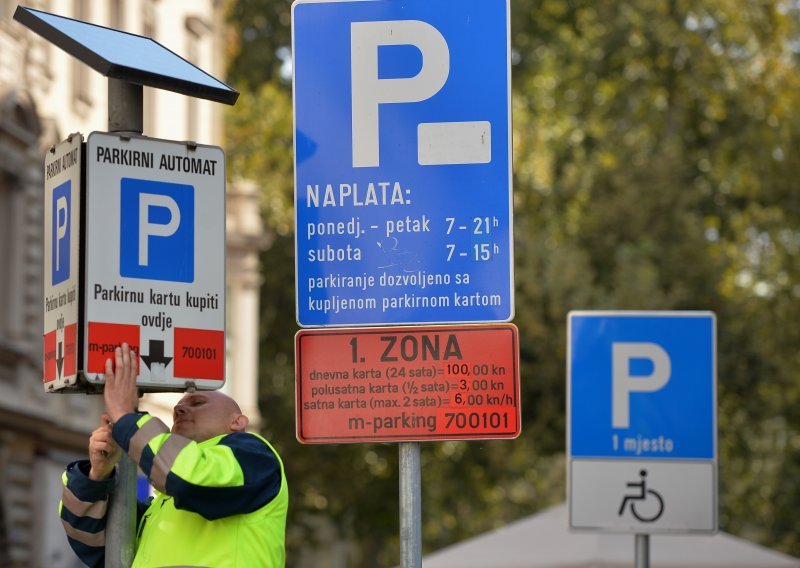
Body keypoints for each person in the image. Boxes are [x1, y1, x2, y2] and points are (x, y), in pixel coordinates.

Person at [59, 343, 288, 567]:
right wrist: (98, 474)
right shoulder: (163, 502)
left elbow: (189, 477)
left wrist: (125, 417)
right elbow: (95, 545)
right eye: (177, 408)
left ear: (238, 422)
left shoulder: (255, 456)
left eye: (198, 403)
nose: (179, 410)